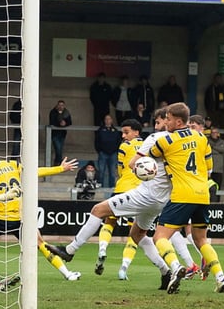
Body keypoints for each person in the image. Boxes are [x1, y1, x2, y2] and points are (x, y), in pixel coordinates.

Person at [47, 111, 173, 290]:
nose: (159, 124)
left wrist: (144, 167)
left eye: (162, 120)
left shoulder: (154, 138)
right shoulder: (182, 144)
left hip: (143, 193)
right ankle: (166, 271)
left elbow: (131, 165)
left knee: (98, 210)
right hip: (161, 199)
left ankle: (70, 250)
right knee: (138, 234)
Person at [0, 146, 82, 281]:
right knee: (41, 244)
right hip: (22, 218)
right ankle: (67, 274)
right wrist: (60, 168)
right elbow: (36, 171)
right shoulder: (12, 164)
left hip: (1, 220)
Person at [149, 102, 224, 294]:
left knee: (159, 237)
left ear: (178, 122)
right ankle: (220, 277)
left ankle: (176, 267)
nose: (165, 122)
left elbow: (148, 156)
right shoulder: (202, 138)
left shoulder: (166, 141)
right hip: (203, 194)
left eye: (167, 119)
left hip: (181, 194)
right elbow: (209, 168)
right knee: (201, 239)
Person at [93, 119, 144, 276]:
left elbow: (121, 169)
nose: (123, 136)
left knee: (109, 221)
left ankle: (102, 249)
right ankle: (124, 268)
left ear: (136, 132)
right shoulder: (149, 146)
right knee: (135, 232)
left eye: (126, 132)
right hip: (140, 192)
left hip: (122, 189)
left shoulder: (125, 146)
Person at [95, 114, 121, 188]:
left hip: (113, 154)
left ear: (111, 120)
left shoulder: (115, 131)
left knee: (112, 173)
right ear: (104, 121)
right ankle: (100, 187)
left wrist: (116, 151)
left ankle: (112, 188)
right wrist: (99, 151)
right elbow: (96, 142)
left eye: (109, 119)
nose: (108, 120)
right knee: (101, 172)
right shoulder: (100, 130)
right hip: (103, 154)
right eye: (106, 119)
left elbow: (118, 142)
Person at [49, 100, 72, 166]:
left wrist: (65, 123)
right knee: (58, 149)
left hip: (62, 134)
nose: (61, 107)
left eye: (62, 105)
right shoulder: (53, 112)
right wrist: (60, 124)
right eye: (59, 105)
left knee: (60, 149)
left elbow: (70, 122)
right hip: (55, 134)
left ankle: (57, 162)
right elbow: (52, 121)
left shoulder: (66, 113)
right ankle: (59, 162)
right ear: (57, 105)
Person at [207, 126, 224, 191]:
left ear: (218, 133)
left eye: (215, 132)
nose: (214, 134)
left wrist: (213, 147)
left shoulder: (222, 141)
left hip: (219, 169)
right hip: (209, 169)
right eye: (212, 132)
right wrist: (217, 149)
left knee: (218, 187)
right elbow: (208, 150)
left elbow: (223, 149)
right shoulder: (207, 141)